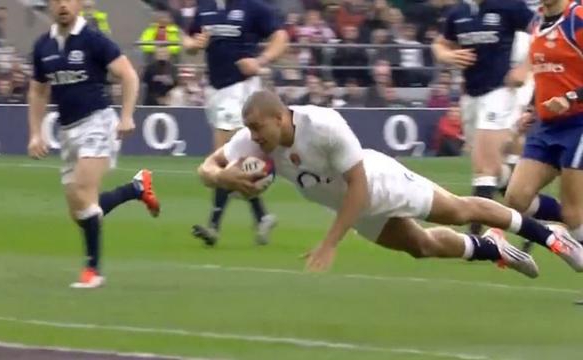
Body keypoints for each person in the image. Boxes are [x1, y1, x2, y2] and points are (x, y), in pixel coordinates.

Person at [197, 90, 583, 275]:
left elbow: (360, 188)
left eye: (257, 127)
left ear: (280, 118)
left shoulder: (324, 125)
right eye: (249, 129)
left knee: (458, 209)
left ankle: (552, 238)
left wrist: (330, 243)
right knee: (421, 247)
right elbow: (205, 169)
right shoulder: (251, 140)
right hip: (350, 208)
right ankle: (493, 250)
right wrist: (223, 175)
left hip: (379, 183)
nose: (252, 136)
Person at [27, 0, 160, 289]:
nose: (63, 5)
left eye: (68, 0)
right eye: (56, 0)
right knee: (80, 211)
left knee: (84, 192)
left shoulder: (94, 40)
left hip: (98, 123)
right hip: (67, 131)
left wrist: (126, 116)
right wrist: (36, 133)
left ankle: (93, 270)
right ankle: (136, 188)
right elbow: (38, 91)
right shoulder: (42, 47)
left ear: (78, 4)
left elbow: (129, 76)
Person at [182, 0, 289, 246]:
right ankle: (262, 216)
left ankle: (213, 226)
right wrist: (192, 45)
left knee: (222, 157)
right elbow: (188, 40)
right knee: (231, 159)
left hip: (240, 89)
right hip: (215, 91)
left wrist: (260, 61)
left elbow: (281, 37)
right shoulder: (205, 7)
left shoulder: (252, 7)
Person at [432, 0, 536, 236]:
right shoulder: (458, 11)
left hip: (500, 93)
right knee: (494, 169)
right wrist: (448, 55)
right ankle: (530, 207)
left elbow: (541, 30)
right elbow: (440, 44)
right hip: (470, 96)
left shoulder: (507, 6)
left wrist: (525, 68)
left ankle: (475, 235)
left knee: (483, 167)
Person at [505, 0, 583, 252]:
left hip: (578, 123)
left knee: (574, 213)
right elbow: (544, 74)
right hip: (547, 125)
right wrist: (530, 108)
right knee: (516, 197)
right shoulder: (537, 22)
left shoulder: (578, 17)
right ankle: (563, 227)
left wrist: (570, 98)